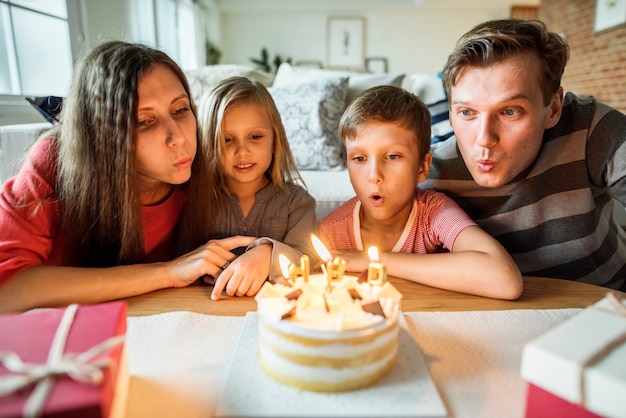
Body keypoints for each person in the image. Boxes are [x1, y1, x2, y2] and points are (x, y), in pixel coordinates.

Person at [0, 41, 254, 313]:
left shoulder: (206, 165)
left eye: (181, 110)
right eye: (144, 121)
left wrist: (267, 251)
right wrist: (168, 272)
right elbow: (7, 290)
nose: (178, 137)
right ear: (102, 135)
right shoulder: (52, 161)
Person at [421, 19, 626, 291]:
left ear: (553, 108)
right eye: (467, 112)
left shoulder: (590, 128)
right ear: (450, 112)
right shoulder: (429, 176)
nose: (484, 139)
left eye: (509, 112)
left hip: (609, 304)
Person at [319, 85, 523, 300]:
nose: (374, 175)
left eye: (392, 156)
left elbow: (505, 280)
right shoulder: (329, 233)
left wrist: (372, 260)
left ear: (422, 167)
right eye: (359, 158)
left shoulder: (433, 213)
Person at [197, 76, 318, 301]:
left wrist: (267, 253)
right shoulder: (196, 201)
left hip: (277, 312)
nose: (242, 151)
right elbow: (183, 259)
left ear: (275, 139)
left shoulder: (297, 201)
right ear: (208, 143)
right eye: (227, 139)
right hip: (212, 307)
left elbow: (308, 257)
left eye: (255, 137)